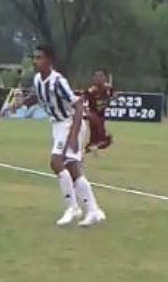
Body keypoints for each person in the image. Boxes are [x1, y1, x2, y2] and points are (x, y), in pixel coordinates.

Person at [32, 45, 105, 227]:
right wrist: (19, 104)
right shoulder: (37, 79)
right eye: (35, 58)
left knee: (56, 162)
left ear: (49, 60)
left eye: (39, 58)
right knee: (73, 169)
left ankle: (72, 207)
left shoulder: (58, 81)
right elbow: (39, 96)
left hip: (69, 123)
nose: (36, 61)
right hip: (57, 125)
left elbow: (78, 105)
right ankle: (93, 210)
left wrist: (73, 135)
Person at [84, 69, 114, 153]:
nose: (98, 79)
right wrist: (85, 111)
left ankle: (92, 145)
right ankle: (101, 141)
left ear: (104, 78)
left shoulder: (108, 87)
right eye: (96, 77)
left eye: (101, 76)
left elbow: (113, 94)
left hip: (101, 113)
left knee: (96, 132)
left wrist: (111, 98)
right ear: (93, 79)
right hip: (93, 113)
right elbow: (83, 99)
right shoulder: (91, 90)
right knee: (97, 127)